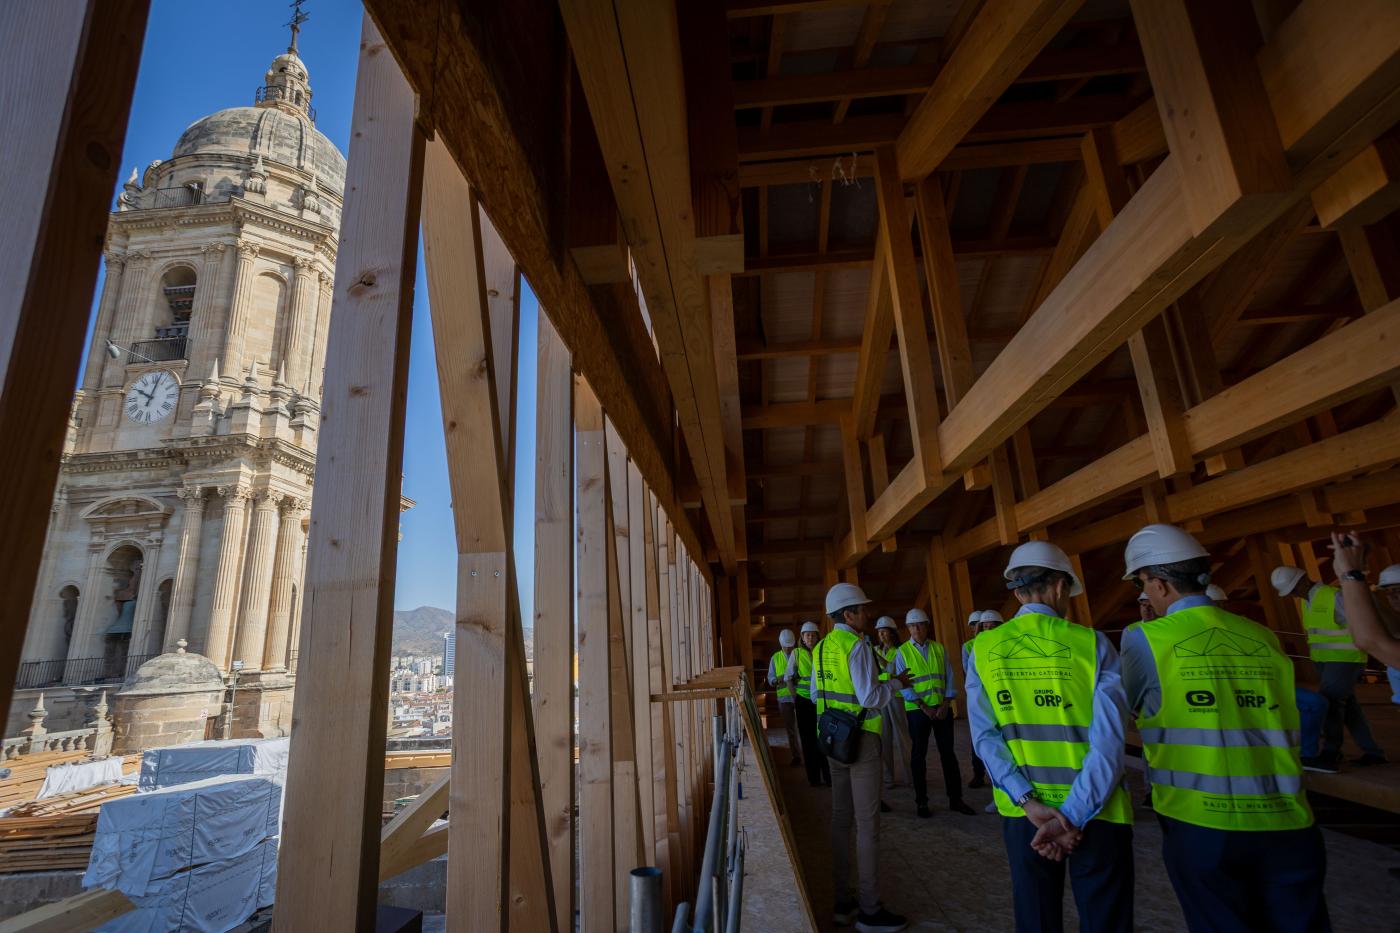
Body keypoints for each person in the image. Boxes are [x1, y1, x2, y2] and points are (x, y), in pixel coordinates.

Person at [1123, 524, 1328, 933]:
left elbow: (1129, 707)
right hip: (1286, 815)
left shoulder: (1146, 639)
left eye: (1144, 583)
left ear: (1159, 583)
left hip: (1201, 818)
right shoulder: (1262, 636)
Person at [967, 541, 1134, 933]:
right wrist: (1072, 814)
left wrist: (1027, 801)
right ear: (1061, 587)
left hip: (1026, 816)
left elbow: (985, 738)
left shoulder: (984, 648)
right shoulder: (1093, 644)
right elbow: (1110, 744)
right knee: (1105, 919)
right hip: (1098, 813)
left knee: (1036, 918)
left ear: (1017, 592)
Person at [815, 583, 912, 933]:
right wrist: (897, 685)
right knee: (868, 826)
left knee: (841, 820)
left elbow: (814, 693)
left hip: (832, 740)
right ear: (848, 614)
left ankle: (843, 902)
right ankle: (870, 911)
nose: (867, 615)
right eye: (862, 609)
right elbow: (870, 698)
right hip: (862, 741)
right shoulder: (855, 646)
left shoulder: (822, 647)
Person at [1271, 562, 1385, 770]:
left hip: (1345, 659)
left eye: (1293, 589)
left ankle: (1331, 752)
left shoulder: (1333, 596)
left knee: (1329, 704)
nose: (1293, 595)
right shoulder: (1307, 601)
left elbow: (1363, 621)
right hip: (1325, 660)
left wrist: (1375, 651)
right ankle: (1372, 752)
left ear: (1303, 580)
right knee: (1349, 709)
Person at [894, 608, 973, 817]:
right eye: (912, 625)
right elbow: (904, 686)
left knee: (948, 754)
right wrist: (924, 707)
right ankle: (921, 802)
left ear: (927, 626)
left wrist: (946, 704)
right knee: (918, 756)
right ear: (908, 628)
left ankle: (956, 799)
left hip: (941, 709)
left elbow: (949, 676)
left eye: (920, 624)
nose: (916, 629)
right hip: (918, 710)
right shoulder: (902, 652)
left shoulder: (939, 648)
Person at [964, 610, 1002, 798]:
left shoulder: (1004, 643)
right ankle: (979, 774)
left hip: (1000, 700)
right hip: (983, 698)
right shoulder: (971, 646)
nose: (987, 629)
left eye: (991, 626)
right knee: (982, 739)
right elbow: (971, 676)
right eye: (984, 626)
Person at [873, 616, 911, 793]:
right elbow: (874, 675)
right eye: (879, 632)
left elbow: (893, 671)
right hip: (881, 697)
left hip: (896, 697)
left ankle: (909, 775)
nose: (881, 634)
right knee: (885, 738)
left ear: (892, 633)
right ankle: (889, 778)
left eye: (884, 631)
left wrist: (880, 661)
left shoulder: (900, 651)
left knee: (902, 737)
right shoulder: (874, 650)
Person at [790, 620, 830, 787]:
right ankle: (814, 778)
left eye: (813, 635)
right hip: (804, 702)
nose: (811, 638)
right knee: (807, 740)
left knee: (824, 737)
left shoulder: (823, 651)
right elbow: (788, 678)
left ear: (818, 636)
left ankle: (828, 777)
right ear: (802, 637)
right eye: (808, 635)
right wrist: (796, 698)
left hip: (821, 701)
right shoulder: (797, 654)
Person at [767, 629, 801, 767]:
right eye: (786, 646)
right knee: (791, 730)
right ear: (781, 644)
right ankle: (796, 756)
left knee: (803, 728)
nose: (788, 648)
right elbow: (770, 678)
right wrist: (777, 680)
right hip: (784, 700)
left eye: (790, 646)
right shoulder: (775, 658)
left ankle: (808, 754)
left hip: (799, 697)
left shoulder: (799, 655)